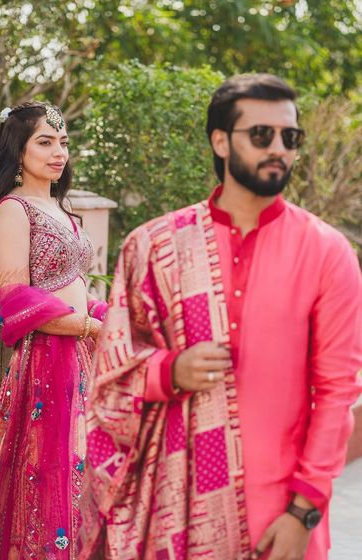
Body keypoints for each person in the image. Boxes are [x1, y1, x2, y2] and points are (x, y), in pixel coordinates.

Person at [77, 74, 362, 560]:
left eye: (290, 138)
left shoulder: (326, 252)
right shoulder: (154, 246)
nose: (279, 149)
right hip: (170, 509)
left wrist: (303, 513)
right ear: (220, 141)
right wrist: (170, 371)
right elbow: (111, 369)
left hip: (278, 517)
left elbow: (338, 392)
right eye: (261, 135)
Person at [0, 101, 107, 559]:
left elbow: (75, 284)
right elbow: (16, 296)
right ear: (17, 150)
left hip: (80, 355)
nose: (58, 151)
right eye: (44, 142)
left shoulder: (60, 209)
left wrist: (109, 315)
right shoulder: (14, 209)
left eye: (62, 141)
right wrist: (86, 324)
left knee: (84, 478)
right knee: (49, 479)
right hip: (49, 360)